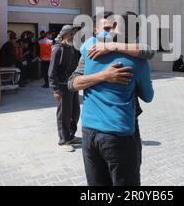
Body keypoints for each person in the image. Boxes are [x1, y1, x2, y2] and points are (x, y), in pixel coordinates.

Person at [68, 12, 155, 183]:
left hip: (89, 131)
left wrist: (111, 47)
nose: (111, 31)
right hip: (119, 133)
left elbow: (72, 84)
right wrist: (104, 76)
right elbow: (148, 96)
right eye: (107, 28)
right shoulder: (137, 59)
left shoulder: (87, 48)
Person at [49, 25, 82, 153]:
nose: (73, 35)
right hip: (62, 87)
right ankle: (63, 140)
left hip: (72, 85)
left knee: (74, 112)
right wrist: (55, 90)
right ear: (65, 34)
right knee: (64, 114)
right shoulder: (58, 49)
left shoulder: (72, 49)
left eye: (74, 33)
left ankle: (71, 136)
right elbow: (51, 71)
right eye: (71, 33)